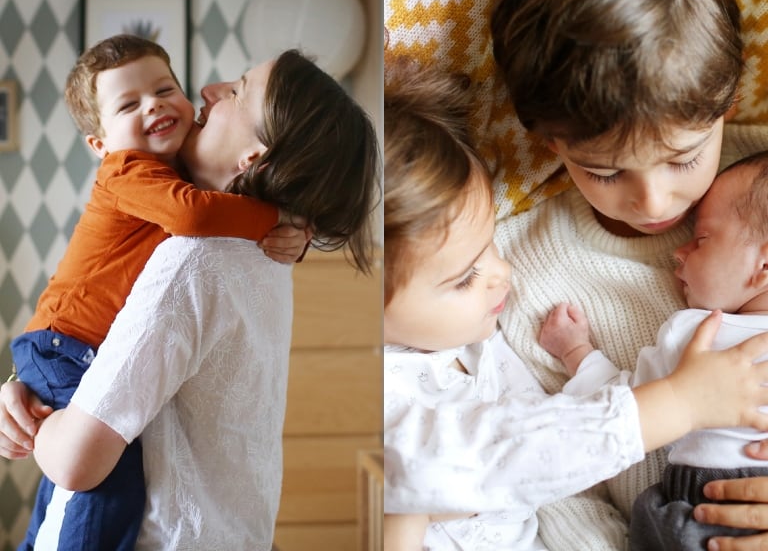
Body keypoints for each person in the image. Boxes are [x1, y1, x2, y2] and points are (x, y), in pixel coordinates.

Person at [382, 56, 768, 550]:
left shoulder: (475, 335)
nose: (504, 273)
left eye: (682, 158)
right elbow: (550, 448)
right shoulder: (485, 331)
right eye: (465, 277)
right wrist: (667, 397)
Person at [0, 48, 379, 550]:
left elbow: (76, 462)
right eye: (128, 104)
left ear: (253, 157)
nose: (209, 90)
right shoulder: (267, 254)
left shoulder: (194, 260)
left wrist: (40, 423)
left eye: (237, 91)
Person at [489, 0, 768, 549]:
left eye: (683, 158)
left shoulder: (758, 181)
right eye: (606, 172)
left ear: (726, 107)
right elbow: (555, 488)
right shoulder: (510, 272)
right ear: (551, 143)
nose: (654, 203)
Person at [538, 152, 768, 550]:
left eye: (701, 240)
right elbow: (632, 415)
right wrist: (576, 351)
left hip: (701, 505)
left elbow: (622, 403)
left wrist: (577, 352)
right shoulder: (694, 334)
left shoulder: (696, 334)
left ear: (763, 267)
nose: (677, 252)